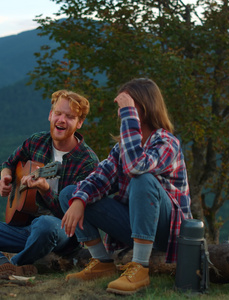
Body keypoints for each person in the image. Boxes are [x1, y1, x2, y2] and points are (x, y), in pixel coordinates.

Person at [59, 78, 192, 295]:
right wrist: (79, 200)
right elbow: (98, 178)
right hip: (134, 225)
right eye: (122, 108)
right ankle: (102, 262)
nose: (121, 113)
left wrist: (129, 115)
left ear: (145, 106)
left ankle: (140, 266)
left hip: (166, 231)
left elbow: (137, 166)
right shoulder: (121, 148)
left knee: (142, 177)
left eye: (127, 106)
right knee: (71, 194)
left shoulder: (167, 142)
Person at [0, 89, 99, 276]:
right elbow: (8, 163)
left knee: (45, 224)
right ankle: (0, 267)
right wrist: (5, 177)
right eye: (58, 113)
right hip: (24, 229)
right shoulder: (36, 141)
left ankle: (14, 264)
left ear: (79, 123)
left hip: (60, 232)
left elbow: (75, 216)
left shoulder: (87, 162)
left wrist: (45, 189)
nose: (61, 120)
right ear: (50, 115)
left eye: (70, 117)